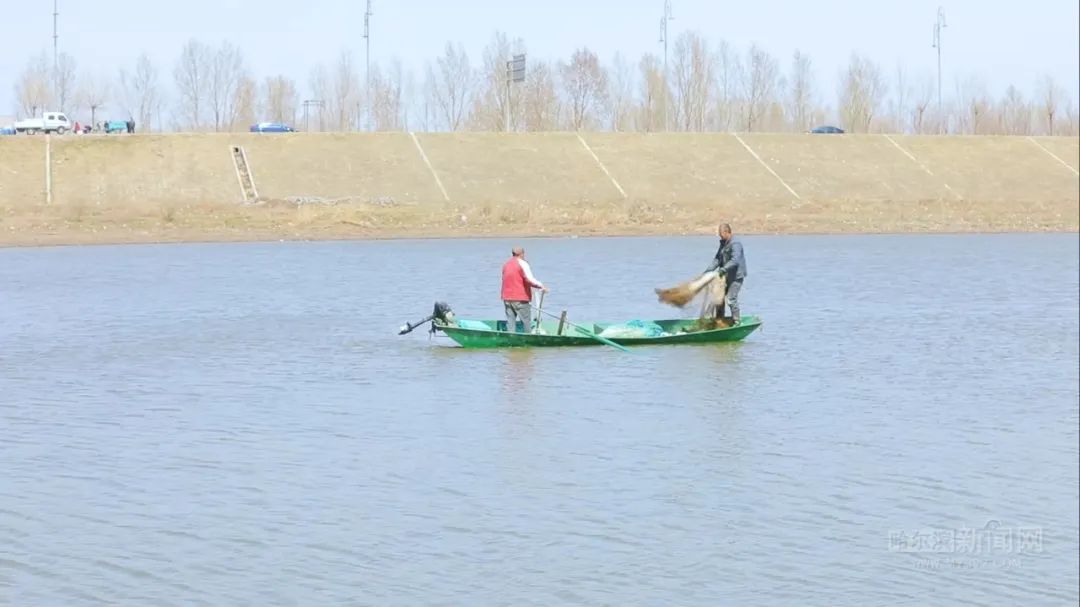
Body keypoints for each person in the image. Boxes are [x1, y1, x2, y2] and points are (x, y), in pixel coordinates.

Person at [704, 223, 747, 325]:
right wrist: (708, 271)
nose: (720, 236)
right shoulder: (723, 243)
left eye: (721, 234)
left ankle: (736, 321)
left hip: (736, 277)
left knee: (731, 299)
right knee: (718, 298)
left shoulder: (736, 244)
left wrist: (723, 269)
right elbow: (718, 259)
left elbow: (735, 260)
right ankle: (719, 320)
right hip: (725, 276)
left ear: (727, 232)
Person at [501, 247, 548, 333]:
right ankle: (528, 340)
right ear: (522, 254)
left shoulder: (506, 264)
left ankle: (511, 339)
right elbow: (529, 279)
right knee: (526, 322)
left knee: (510, 322)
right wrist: (541, 286)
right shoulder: (522, 263)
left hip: (507, 298)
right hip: (520, 299)